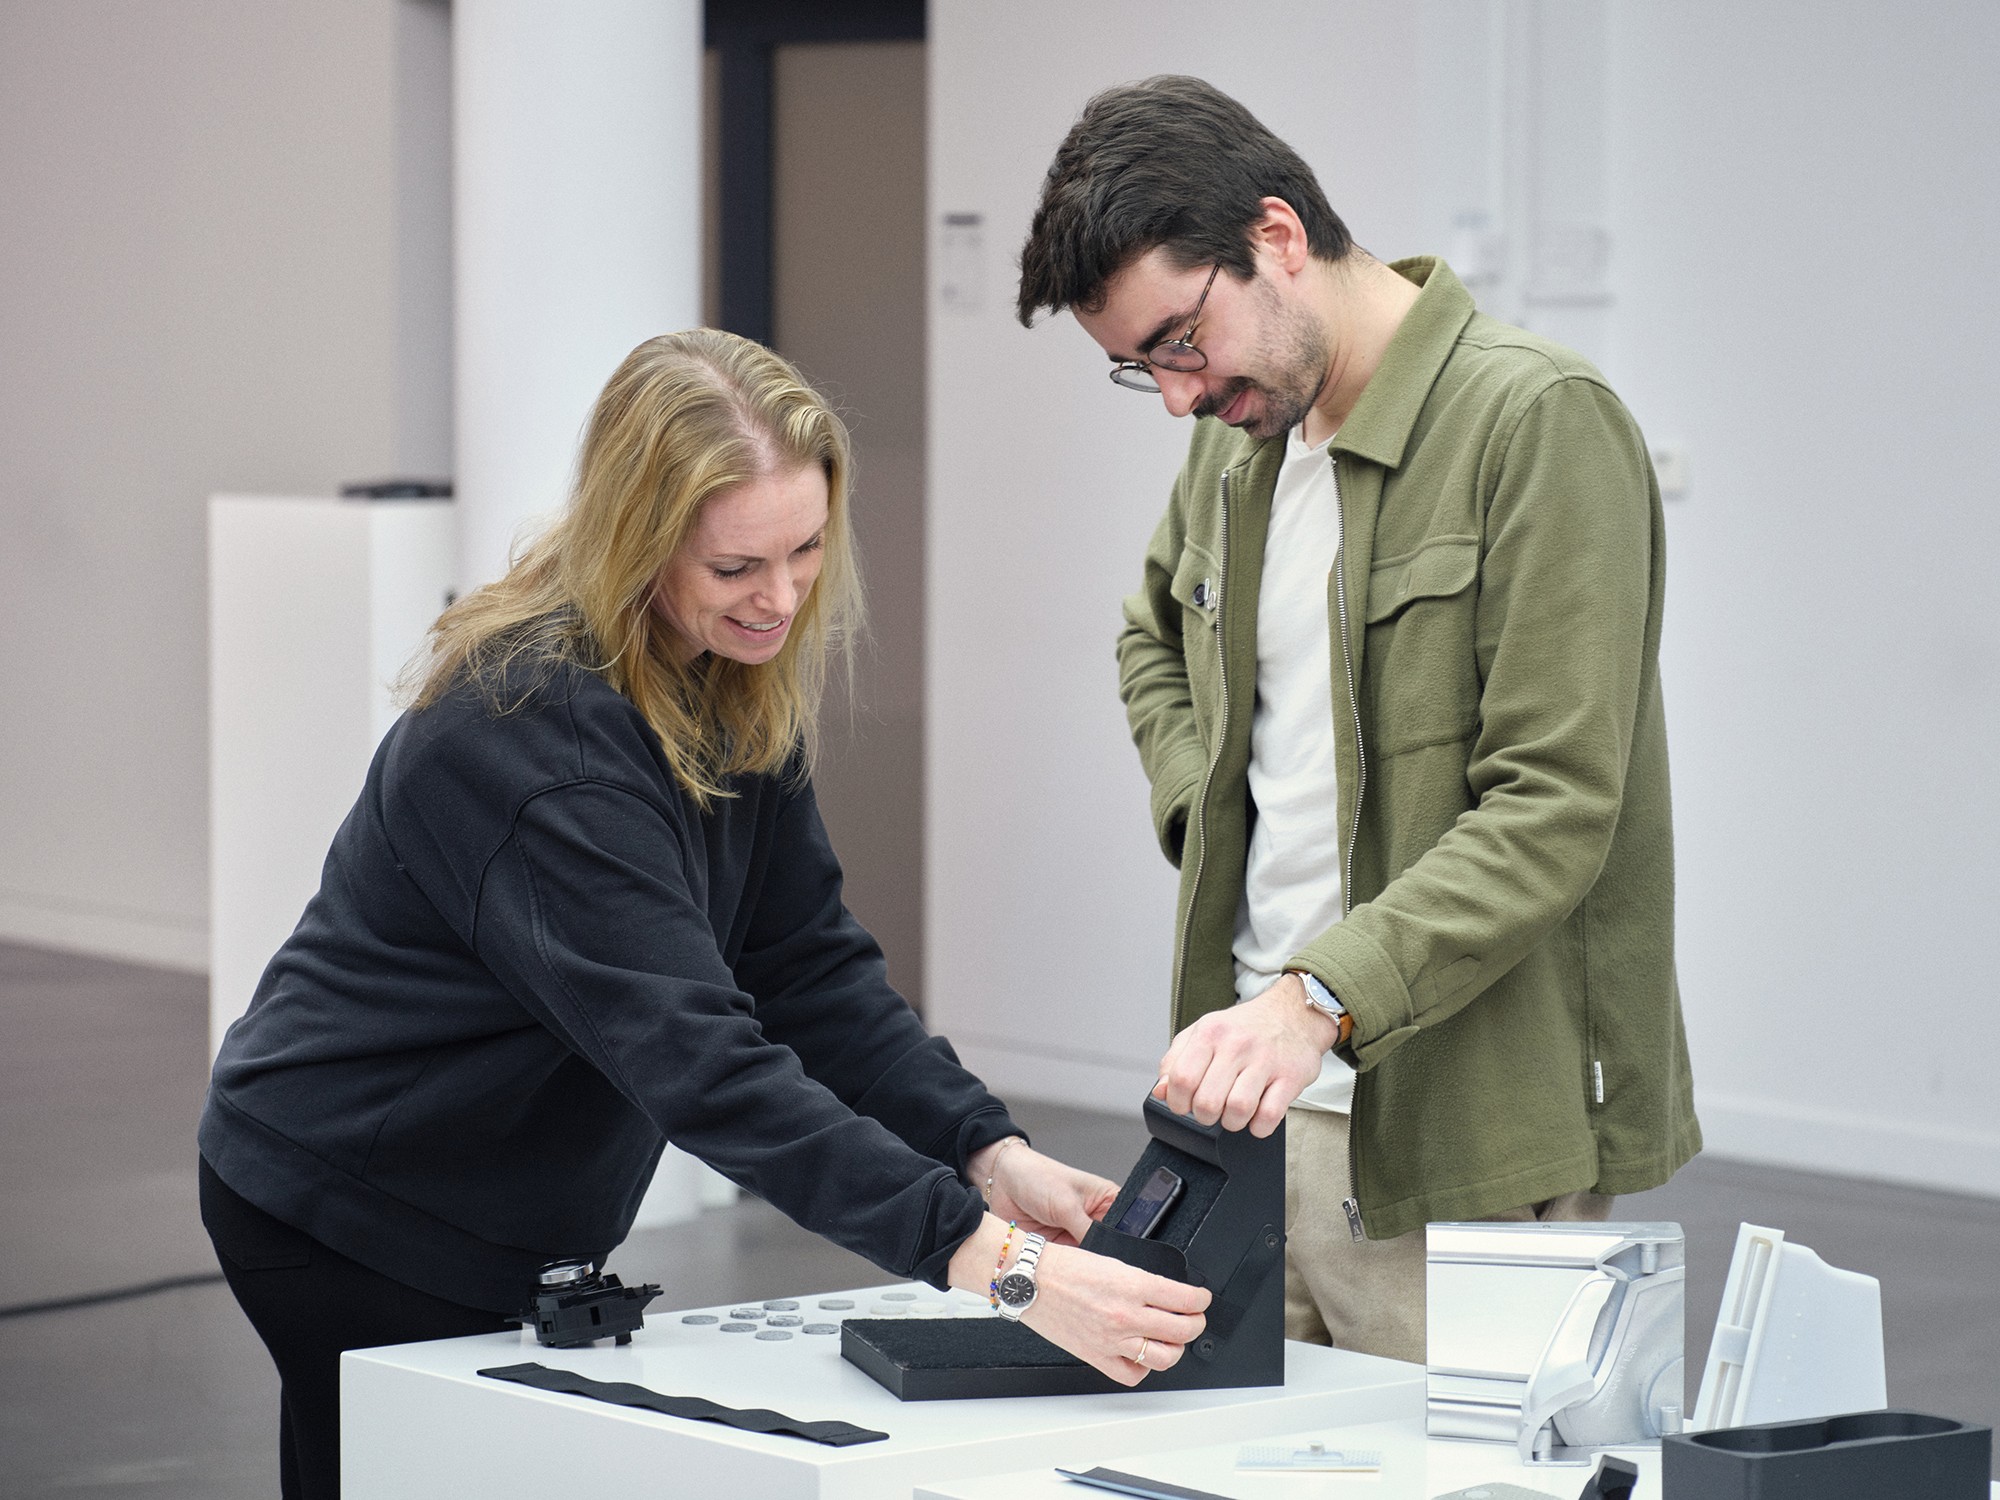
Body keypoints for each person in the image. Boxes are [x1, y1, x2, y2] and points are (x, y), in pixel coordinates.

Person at [199, 329, 1209, 1499]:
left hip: (505, 1195)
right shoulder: (534, 738)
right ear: (637, 542)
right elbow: (701, 1063)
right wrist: (998, 1266)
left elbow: (808, 972)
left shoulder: (720, 679)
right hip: (352, 1200)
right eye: (735, 567)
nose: (779, 598)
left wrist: (987, 1154)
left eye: (806, 549)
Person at [1015, 77, 1700, 1365]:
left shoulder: (1534, 422)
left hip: (1461, 1128)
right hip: (1248, 1116)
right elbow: (1149, 640)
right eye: (1138, 367)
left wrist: (1318, 997)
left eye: (1178, 341)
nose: (1175, 396)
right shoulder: (1236, 448)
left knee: (1453, 1460)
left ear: (1275, 235)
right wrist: (1209, 808)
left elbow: (1553, 806)